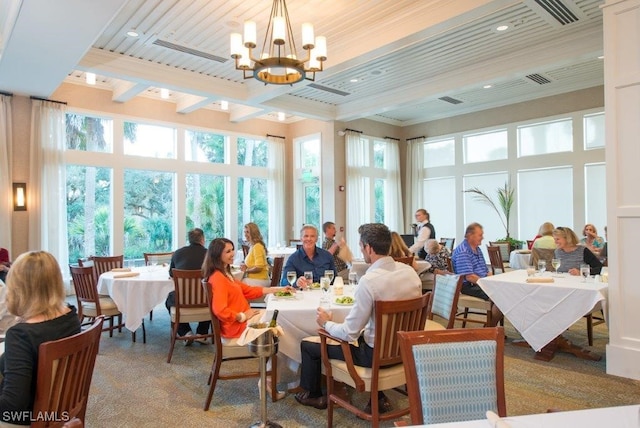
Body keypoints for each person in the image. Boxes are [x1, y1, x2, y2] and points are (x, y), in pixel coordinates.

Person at [294, 223, 422, 412]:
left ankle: (314, 396)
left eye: (362, 247)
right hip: (406, 351)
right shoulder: (410, 273)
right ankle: (378, 396)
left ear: (369, 248)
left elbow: (348, 333)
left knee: (309, 345)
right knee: (367, 334)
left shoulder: (369, 281)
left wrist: (326, 322)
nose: (361, 251)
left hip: (374, 356)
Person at [203, 238, 295, 400]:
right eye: (228, 251)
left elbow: (250, 291)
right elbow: (220, 310)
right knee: (281, 334)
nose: (233, 254)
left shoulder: (226, 274)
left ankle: (270, 377)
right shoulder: (218, 278)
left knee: (280, 324)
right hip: (236, 330)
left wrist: (279, 289)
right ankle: (268, 380)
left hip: (242, 322)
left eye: (232, 250)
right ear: (218, 255)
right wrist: (243, 316)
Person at [0, 251, 81, 425]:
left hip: (32, 416)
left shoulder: (21, 335)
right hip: (59, 408)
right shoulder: (70, 315)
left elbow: (13, 408)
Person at [451, 223, 502, 326]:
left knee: (507, 293)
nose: (482, 237)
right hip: (469, 286)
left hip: (479, 282)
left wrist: (493, 278)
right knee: (501, 299)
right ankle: (491, 328)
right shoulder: (463, 251)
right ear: (470, 235)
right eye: (480, 235)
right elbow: (469, 277)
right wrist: (487, 284)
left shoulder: (476, 249)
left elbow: (484, 271)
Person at [165, 228, 209, 345]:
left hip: (182, 300)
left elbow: (171, 274)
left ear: (189, 240)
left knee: (169, 300)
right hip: (204, 299)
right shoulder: (209, 254)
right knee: (212, 297)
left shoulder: (177, 253)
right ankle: (202, 333)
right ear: (202, 240)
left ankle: (185, 333)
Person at [240, 222, 270, 287]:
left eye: (247, 232)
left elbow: (259, 267)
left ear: (253, 233)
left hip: (261, 280)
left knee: (237, 285)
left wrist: (246, 270)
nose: (245, 234)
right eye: (245, 232)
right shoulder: (253, 246)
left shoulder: (257, 246)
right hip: (256, 279)